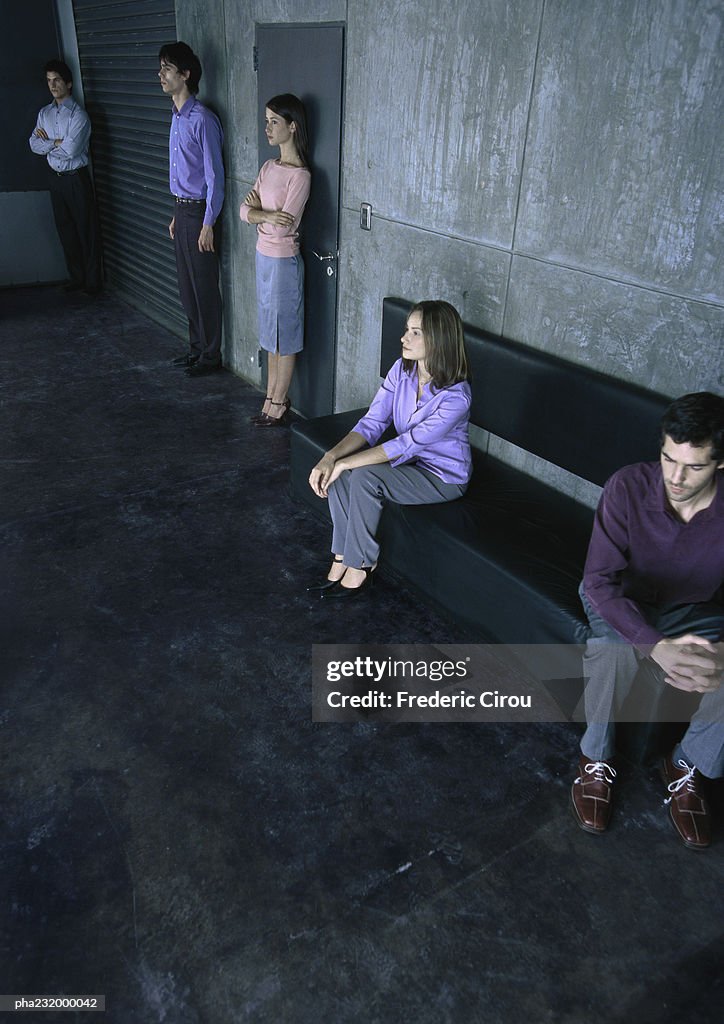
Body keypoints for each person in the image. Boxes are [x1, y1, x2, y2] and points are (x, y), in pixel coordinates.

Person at [571, 392, 724, 850]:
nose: (675, 477)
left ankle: (687, 765)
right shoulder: (627, 486)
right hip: (620, 597)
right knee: (612, 651)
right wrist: (654, 645)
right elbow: (598, 581)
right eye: (667, 458)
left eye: (693, 466)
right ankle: (594, 761)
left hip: (693, 608)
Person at [308, 301, 472, 598]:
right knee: (342, 470)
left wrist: (346, 464)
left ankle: (361, 565)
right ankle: (342, 556)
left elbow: (405, 444)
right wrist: (331, 458)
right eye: (406, 330)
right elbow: (373, 422)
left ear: (438, 339)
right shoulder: (402, 370)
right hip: (409, 464)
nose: (403, 338)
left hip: (443, 477)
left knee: (363, 476)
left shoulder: (456, 398)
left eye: (415, 332)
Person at [240, 95, 311, 425]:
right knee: (270, 333)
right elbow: (244, 210)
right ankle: (269, 397)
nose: (267, 127)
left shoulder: (300, 176)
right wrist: (264, 214)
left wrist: (256, 214)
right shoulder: (269, 167)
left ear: (292, 127)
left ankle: (280, 402)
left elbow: (285, 229)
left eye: (274, 122)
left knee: (285, 334)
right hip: (263, 258)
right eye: (266, 120)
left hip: (283, 262)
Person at [159, 42, 225, 377]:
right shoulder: (175, 117)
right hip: (181, 211)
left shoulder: (203, 120)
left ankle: (211, 357)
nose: (161, 75)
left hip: (201, 214)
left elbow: (214, 177)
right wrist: (175, 213)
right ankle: (196, 349)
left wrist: (209, 223)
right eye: (161, 69)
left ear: (185, 74)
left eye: (167, 69)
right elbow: (185, 173)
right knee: (187, 288)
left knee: (204, 288)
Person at [29, 59, 102, 295]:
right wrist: (56, 142)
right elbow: (33, 144)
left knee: (85, 229)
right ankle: (77, 278)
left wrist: (48, 143)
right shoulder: (44, 114)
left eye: (57, 80)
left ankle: (93, 282)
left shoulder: (79, 116)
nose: (53, 85)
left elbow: (71, 150)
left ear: (69, 83)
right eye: (49, 81)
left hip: (75, 178)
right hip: (56, 179)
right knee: (66, 229)